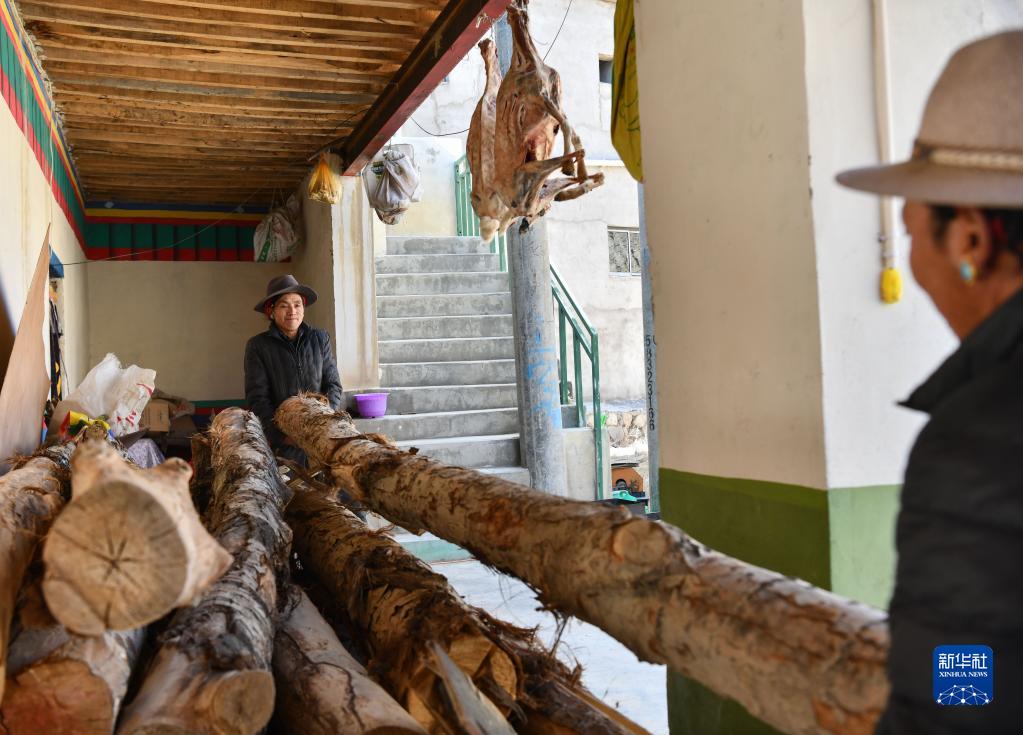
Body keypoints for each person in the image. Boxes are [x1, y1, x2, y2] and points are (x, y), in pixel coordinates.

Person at [837, 31, 1023, 734]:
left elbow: (960, 691)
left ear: (970, 238)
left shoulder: (979, 444)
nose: (911, 252)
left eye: (912, 228)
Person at [244, 274, 342, 465]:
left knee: (325, 483)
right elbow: (257, 398)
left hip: (321, 439)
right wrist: (283, 437)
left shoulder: (320, 339)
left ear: (303, 308)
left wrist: (324, 424)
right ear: (271, 311)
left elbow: (333, 385)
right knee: (290, 484)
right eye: (284, 305)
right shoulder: (258, 346)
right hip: (284, 447)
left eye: (297, 304)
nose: (292, 311)